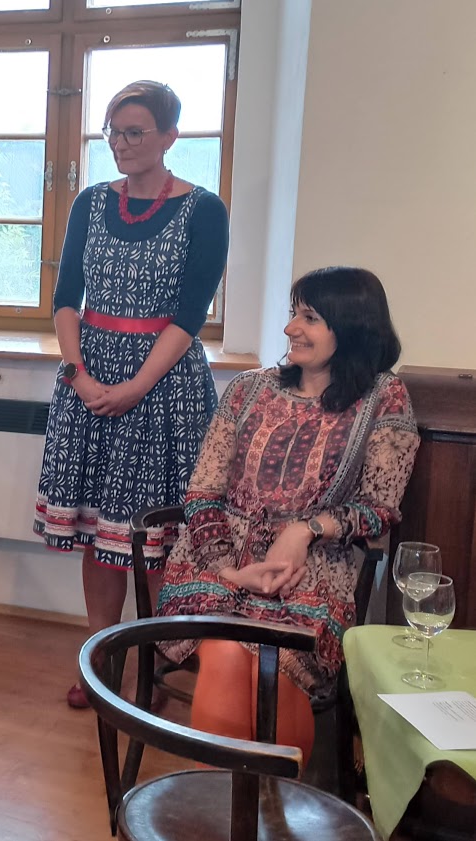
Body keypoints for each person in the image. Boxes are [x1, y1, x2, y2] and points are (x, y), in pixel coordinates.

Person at [156, 266, 419, 765]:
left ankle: (260, 794)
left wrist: (305, 530)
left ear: (352, 327)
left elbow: (380, 507)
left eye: (310, 318)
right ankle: (246, 797)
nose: (290, 328)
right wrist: (228, 569)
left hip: (312, 573)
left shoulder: (384, 398)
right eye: (293, 313)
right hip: (213, 561)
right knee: (228, 649)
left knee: (267, 660)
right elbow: (203, 490)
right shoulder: (247, 389)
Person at [32, 80, 228, 709]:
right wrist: (79, 375)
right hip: (88, 381)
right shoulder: (90, 203)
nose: (121, 143)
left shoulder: (204, 210)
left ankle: (154, 665)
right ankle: (102, 661)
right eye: (113, 132)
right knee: (99, 535)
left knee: (151, 539)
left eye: (135, 132)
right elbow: (66, 299)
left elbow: (190, 316)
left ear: (170, 136)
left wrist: (135, 387)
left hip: (164, 389)